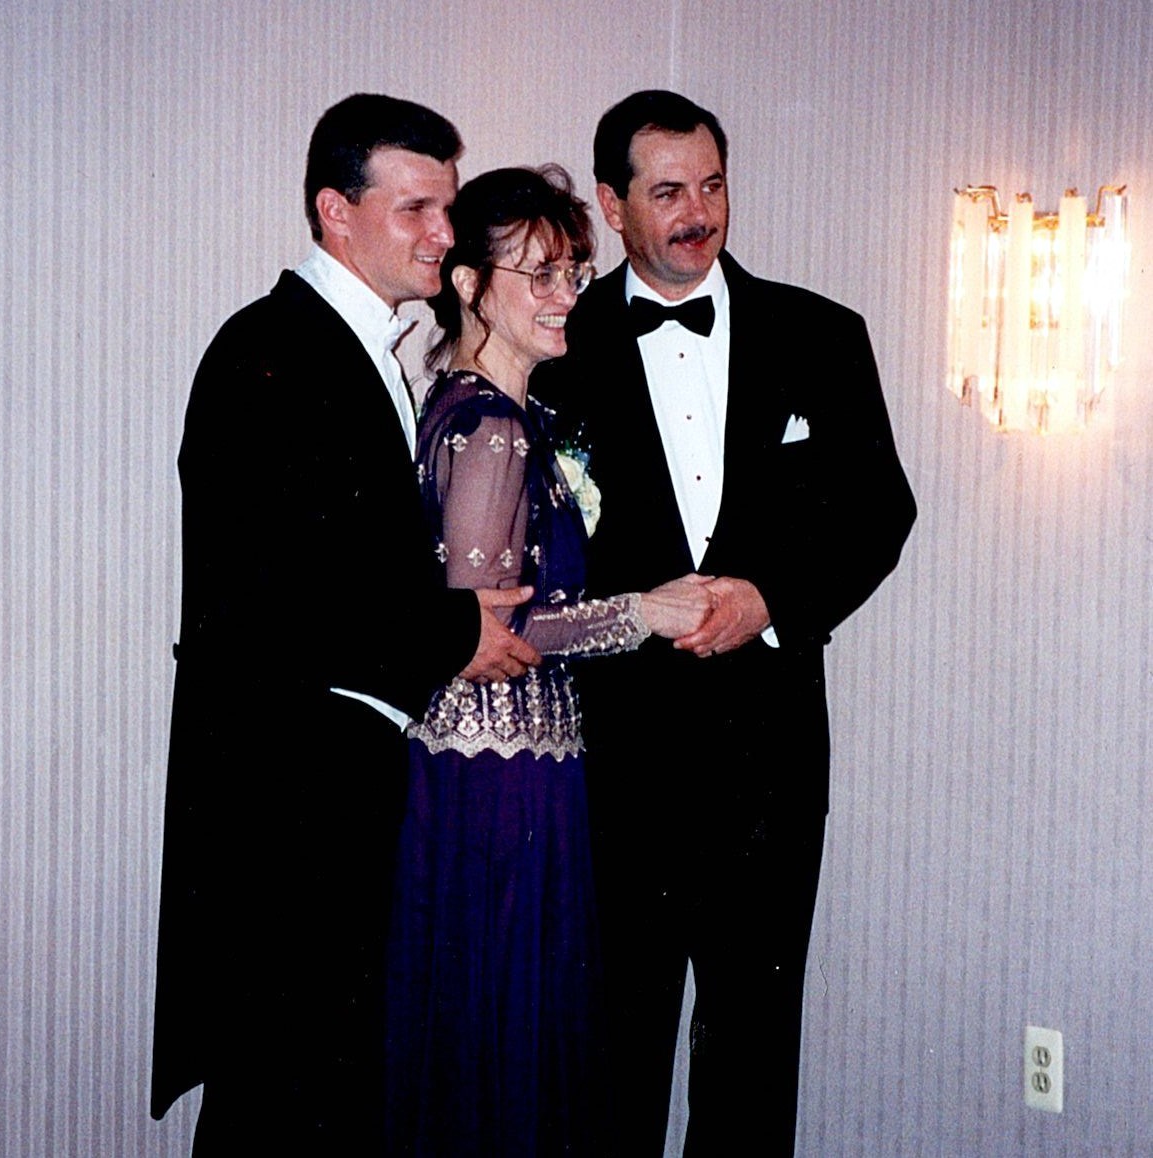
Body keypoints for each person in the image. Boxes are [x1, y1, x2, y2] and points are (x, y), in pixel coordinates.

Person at [149, 93, 544, 1154]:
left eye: (446, 207)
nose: (441, 233)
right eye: (414, 206)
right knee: (287, 1102)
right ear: (335, 211)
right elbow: (285, 582)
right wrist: (454, 632)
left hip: (334, 794)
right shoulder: (269, 350)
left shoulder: (363, 345)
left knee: (327, 1096)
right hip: (288, 806)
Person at [531, 91, 917, 1155]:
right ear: (611, 204)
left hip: (769, 765)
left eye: (710, 184)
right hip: (612, 770)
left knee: (752, 1056)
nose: (697, 212)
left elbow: (880, 509)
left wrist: (769, 602)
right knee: (608, 1055)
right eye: (666, 192)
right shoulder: (554, 354)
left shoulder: (820, 334)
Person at [384, 165, 714, 1157]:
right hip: (496, 788)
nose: (564, 292)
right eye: (534, 273)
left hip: (516, 777)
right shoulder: (487, 425)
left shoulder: (502, 413)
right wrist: (643, 614)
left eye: (571, 269)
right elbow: (498, 640)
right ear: (471, 284)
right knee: (500, 1043)